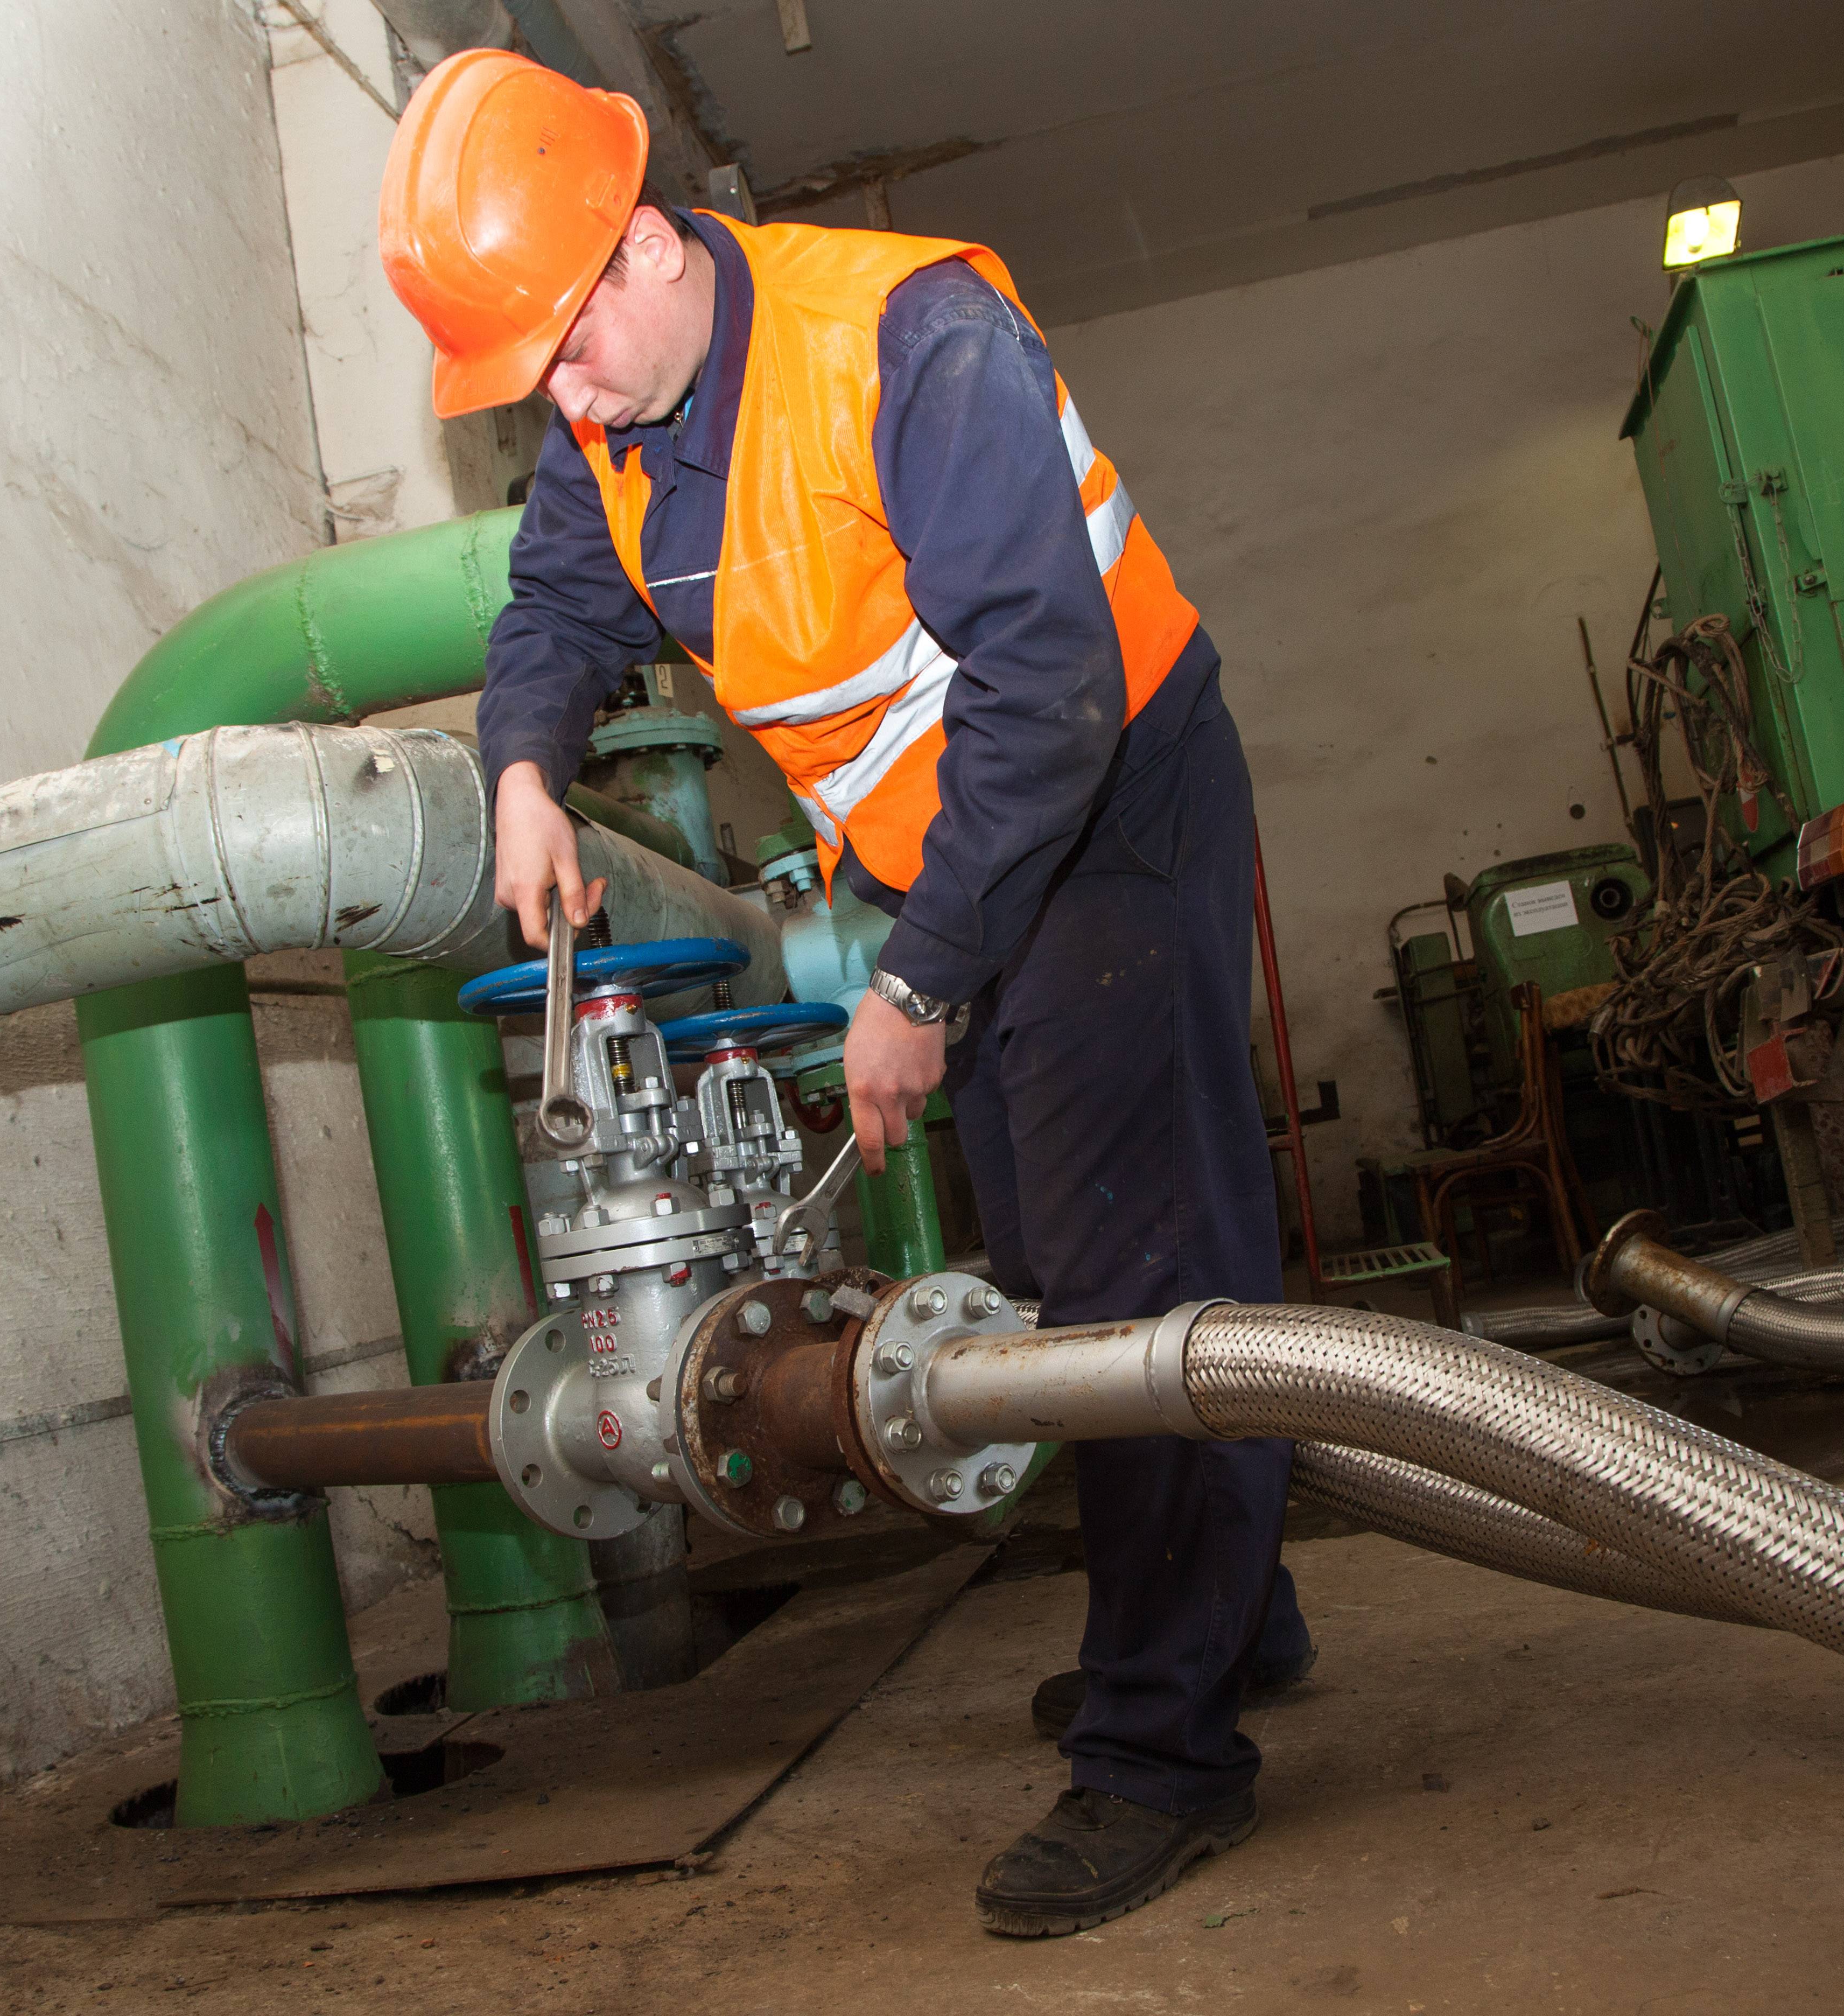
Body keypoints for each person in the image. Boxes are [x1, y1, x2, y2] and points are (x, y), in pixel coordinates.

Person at [379, 50, 1313, 1935]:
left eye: (563, 350)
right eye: (530, 382)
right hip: (968, 843)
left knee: (1135, 1283)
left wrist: (921, 982)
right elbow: (557, 609)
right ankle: (1236, 1625)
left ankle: (1163, 1753)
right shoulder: (614, 414)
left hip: (1113, 799)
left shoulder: (907, 337)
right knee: (1056, 1244)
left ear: (649, 243)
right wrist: (525, 773)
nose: (558, 405)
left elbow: (1046, 693)